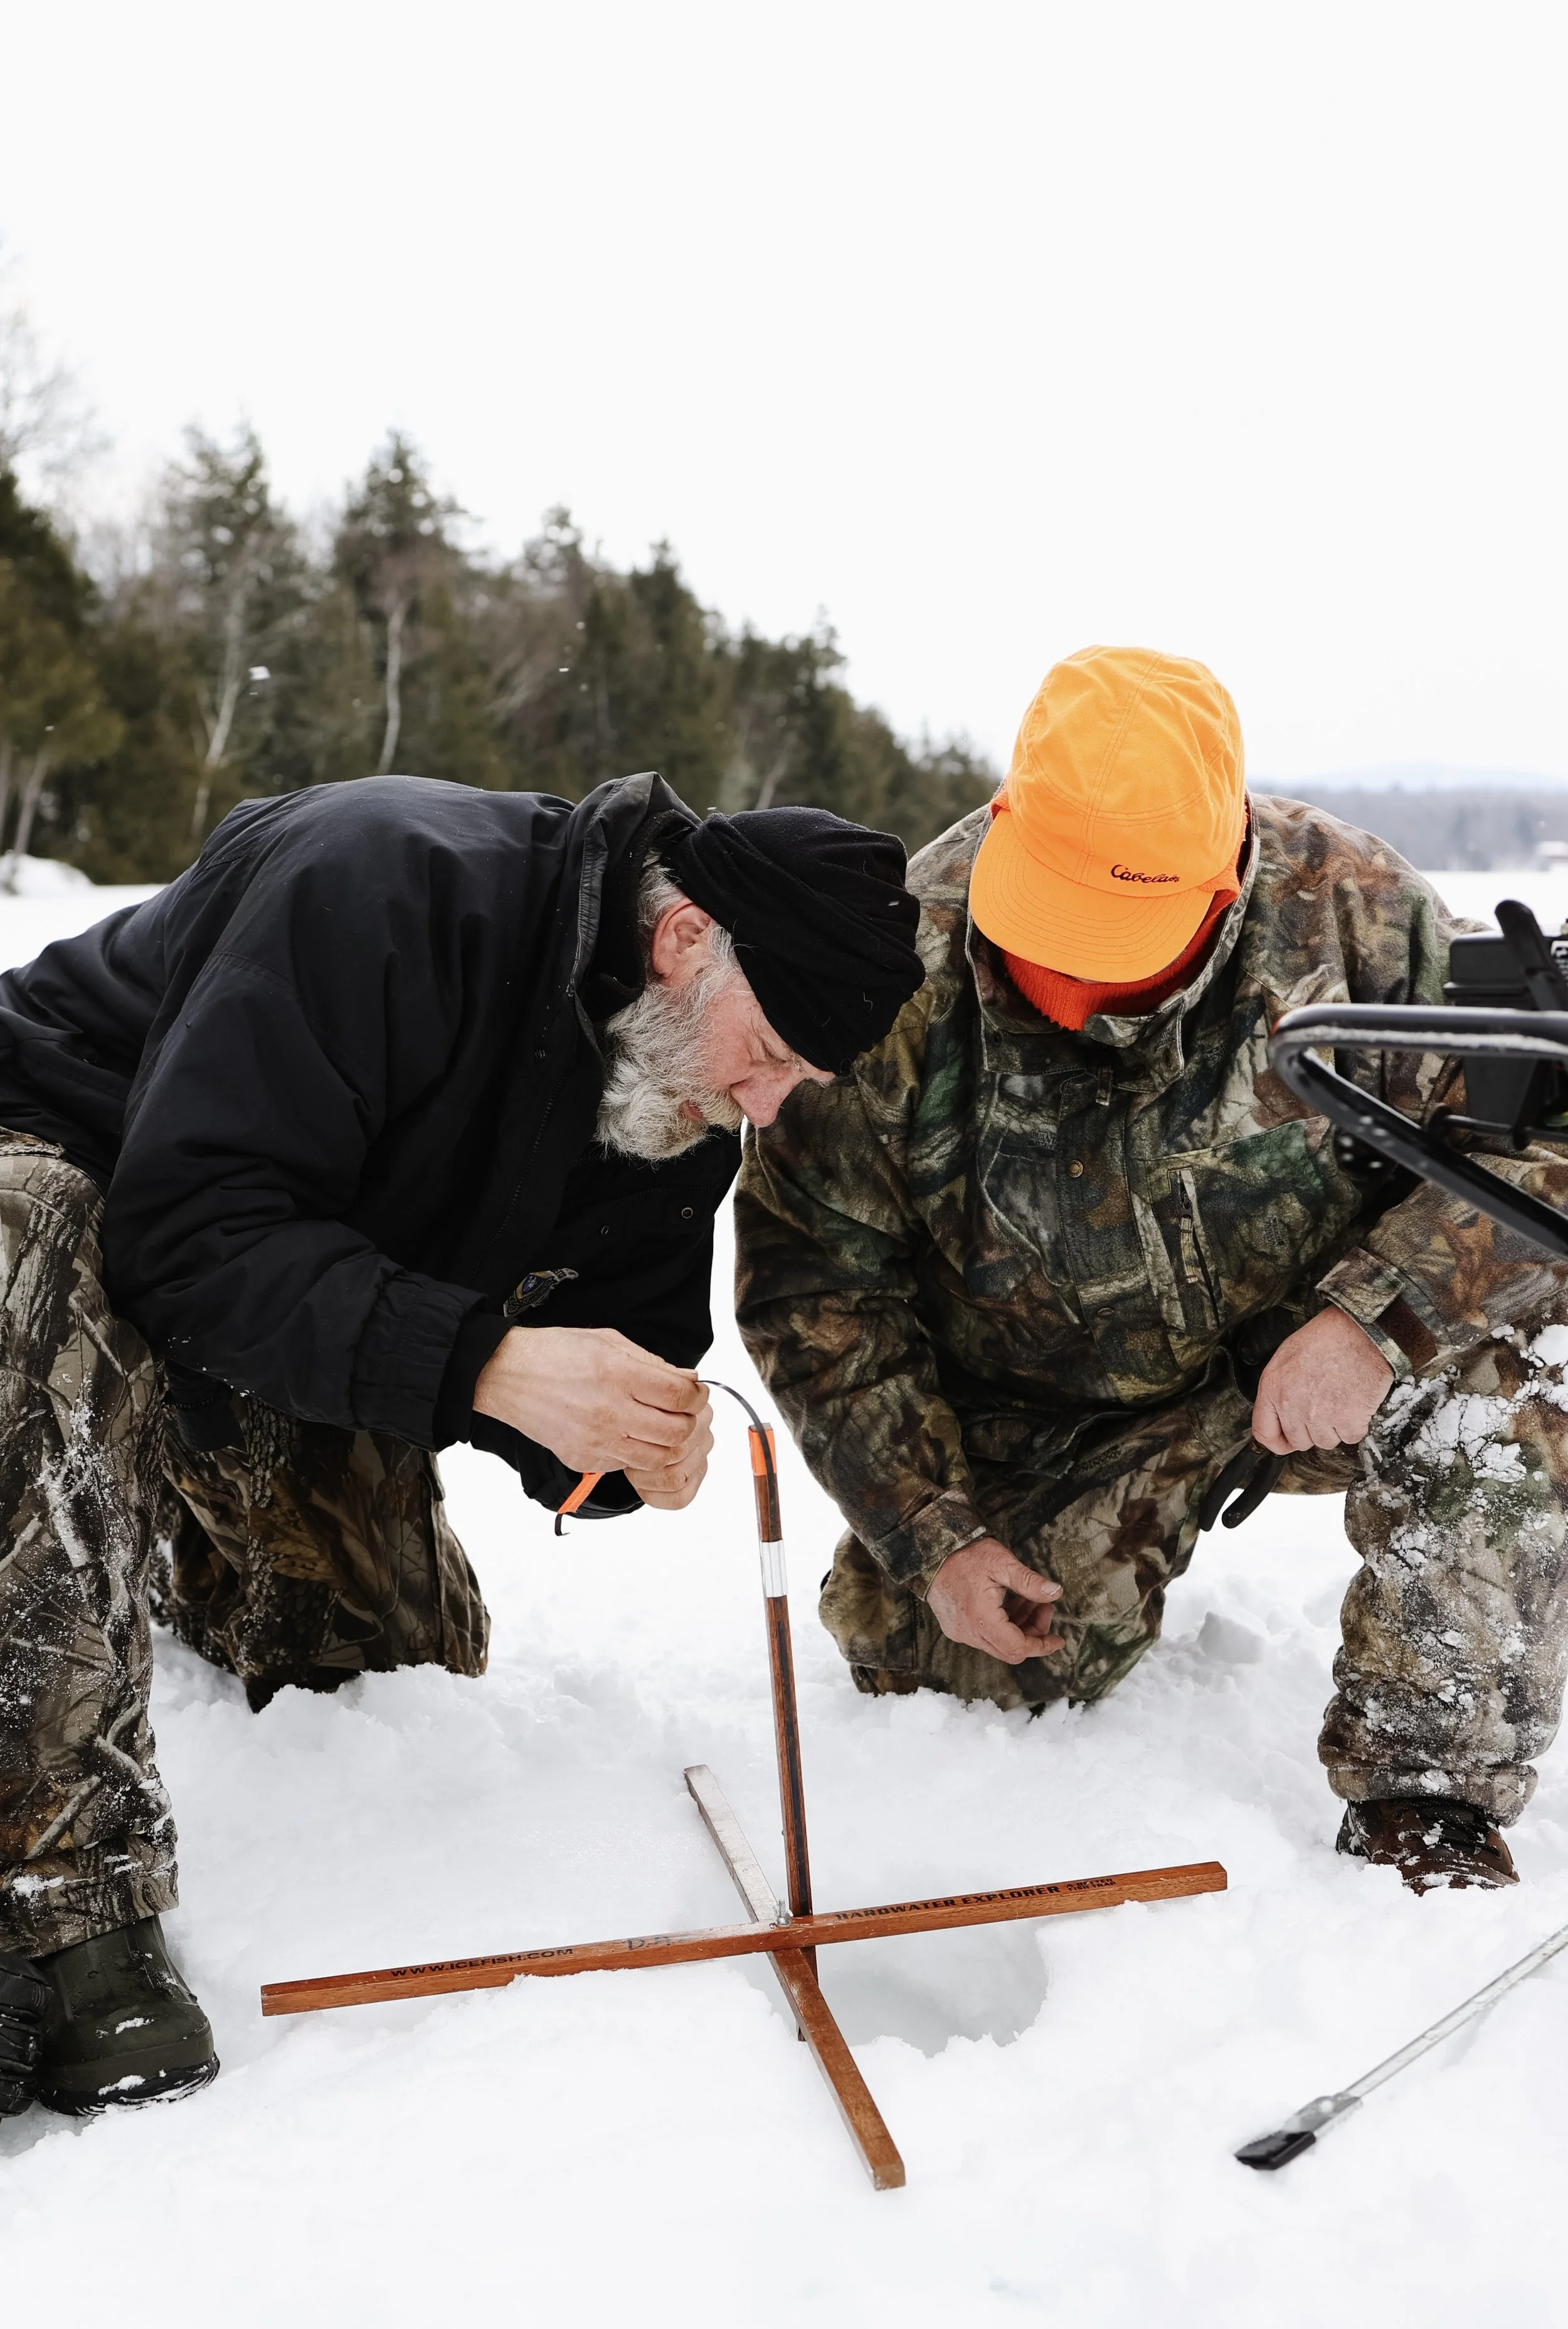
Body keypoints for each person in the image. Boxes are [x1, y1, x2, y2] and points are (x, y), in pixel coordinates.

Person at [0, 768, 924, 2116]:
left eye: (796, 1079)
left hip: (288, 1279)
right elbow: (185, 1228)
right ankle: (65, 1908)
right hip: (74, 1162)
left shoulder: (676, 1085)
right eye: (773, 1054)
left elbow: (614, 1345)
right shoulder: (380, 881)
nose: (767, 1104)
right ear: (682, 941)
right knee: (28, 1260)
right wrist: (484, 1360)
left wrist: (625, 1450)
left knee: (366, 1667)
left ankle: (141, 1542)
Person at [736, 647, 1568, 1902]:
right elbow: (811, 1274)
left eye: (1115, 946)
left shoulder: (1357, 913)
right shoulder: (898, 962)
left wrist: (1374, 1319)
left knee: (1512, 1376)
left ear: (1224, 879)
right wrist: (931, 1531)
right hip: (1052, 1407)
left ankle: (1426, 1793)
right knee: (959, 1664)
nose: (1071, 994)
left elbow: (1538, 1153)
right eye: (1048, 932)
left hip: (1318, 1361)